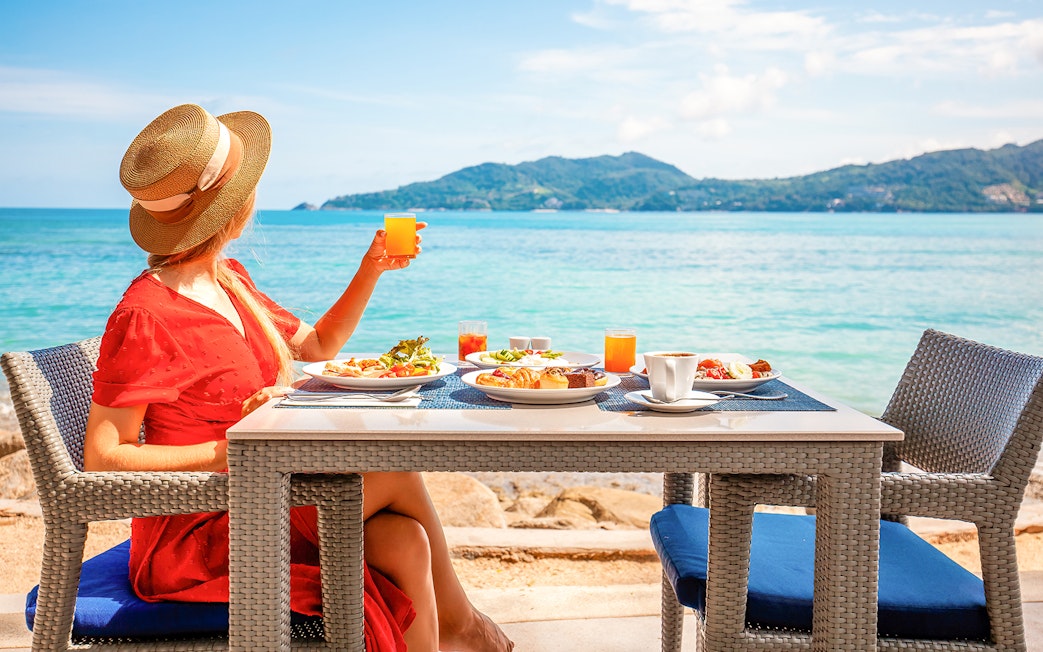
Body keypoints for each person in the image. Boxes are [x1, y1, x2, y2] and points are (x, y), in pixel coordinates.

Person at [84, 103, 514, 652]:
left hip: (267, 491)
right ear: (233, 204)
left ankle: (454, 634)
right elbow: (104, 456)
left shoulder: (230, 281)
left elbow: (317, 347)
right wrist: (225, 450)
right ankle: (465, 627)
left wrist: (371, 268)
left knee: (404, 541)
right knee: (398, 466)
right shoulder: (147, 313)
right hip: (201, 529)